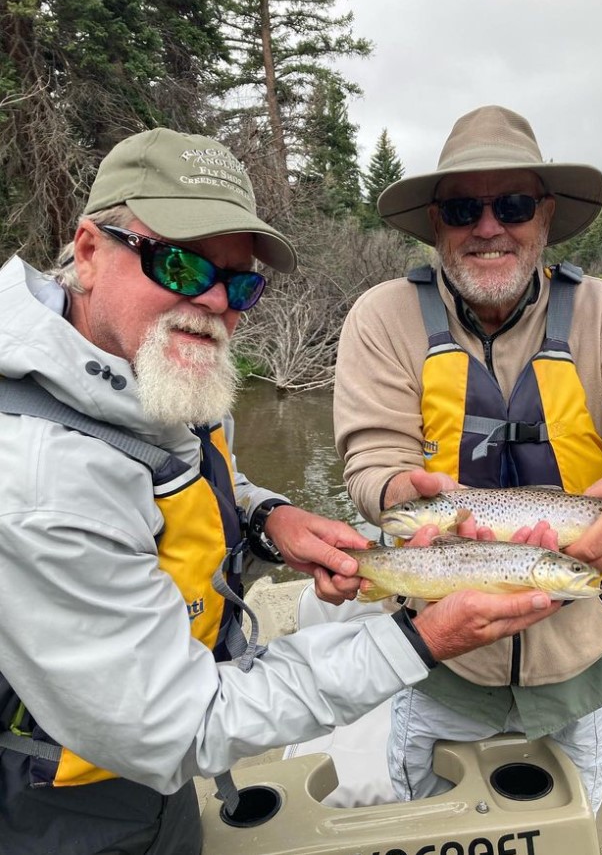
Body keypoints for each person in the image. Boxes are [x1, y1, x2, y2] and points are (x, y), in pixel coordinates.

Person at [0, 127, 561, 855]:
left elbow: (186, 473)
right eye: (177, 262)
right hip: (61, 806)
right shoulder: (40, 479)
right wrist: (417, 639)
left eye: (241, 284)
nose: (212, 302)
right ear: (86, 249)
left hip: (137, 765)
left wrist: (269, 517)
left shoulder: (139, 359)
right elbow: (179, 727)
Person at [333, 105, 602, 814]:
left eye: (514, 204)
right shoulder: (381, 317)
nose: (488, 226)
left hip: (579, 671)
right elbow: (369, 459)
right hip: (437, 663)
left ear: (546, 216)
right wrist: (393, 491)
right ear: (437, 224)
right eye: (464, 207)